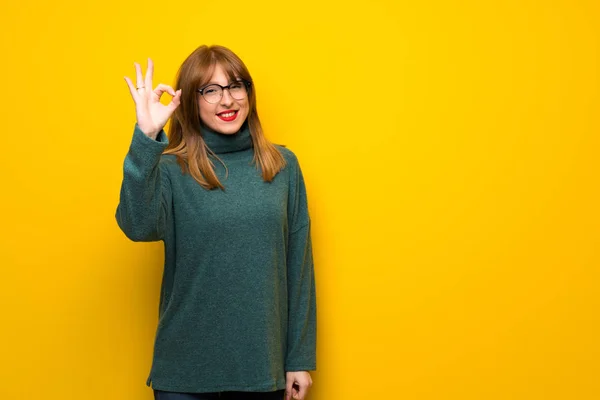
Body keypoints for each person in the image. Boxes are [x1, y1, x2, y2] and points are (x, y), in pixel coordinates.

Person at [115, 45, 316, 400]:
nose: (228, 100)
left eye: (236, 86)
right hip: (184, 372)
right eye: (211, 90)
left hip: (261, 369)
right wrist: (146, 140)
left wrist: (299, 358)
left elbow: (298, 268)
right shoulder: (169, 168)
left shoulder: (283, 166)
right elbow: (137, 226)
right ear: (191, 101)